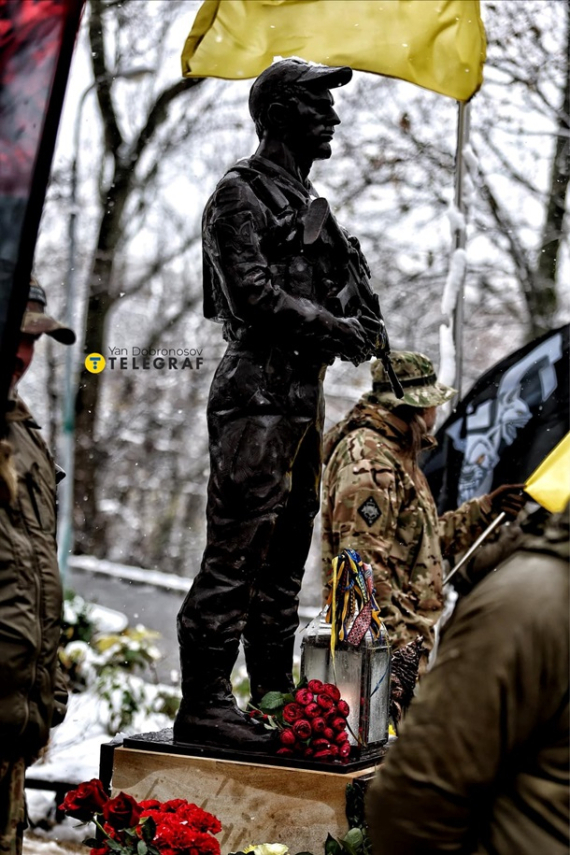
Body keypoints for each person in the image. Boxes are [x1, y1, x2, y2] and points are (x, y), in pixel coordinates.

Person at [175, 58, 389, 749]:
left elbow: (351, 316)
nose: (331, 116)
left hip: (303, 396)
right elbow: (252, 297)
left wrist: (356, 318)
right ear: (276, 113)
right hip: (256, 394)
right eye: (314, 103)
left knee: (285, 557)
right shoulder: (241, 195)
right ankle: (205, 703)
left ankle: (269, 695)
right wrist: (335, 328)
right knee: (236, 551)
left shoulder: (310, 208)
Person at [365, 510, 569, 855]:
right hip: (392, 644)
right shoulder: (527, 605)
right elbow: (414, 800)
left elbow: (430, 532)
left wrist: (482, 508)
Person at [321, 351, 525, 652]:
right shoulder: (370, 461)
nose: (436, 411)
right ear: (416, 407)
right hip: (385, 654)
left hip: (403, 644)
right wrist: (389, 659)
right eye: (433, 403)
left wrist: (484, 510)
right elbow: (363, 569)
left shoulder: (393, 452)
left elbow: (416, 544)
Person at [0, 278, 74, 855]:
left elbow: (35, 573)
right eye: (16, 336)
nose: (24, 355)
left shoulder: (26, 436)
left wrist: (47, 689)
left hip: (13, 733)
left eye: (35, 341)